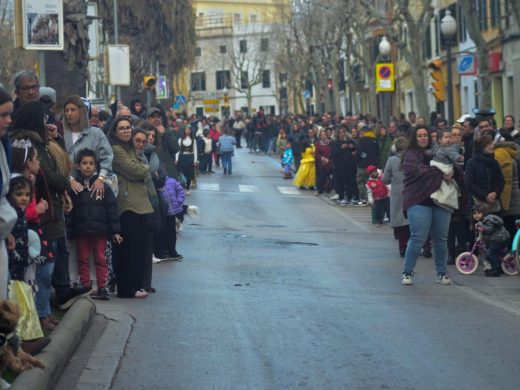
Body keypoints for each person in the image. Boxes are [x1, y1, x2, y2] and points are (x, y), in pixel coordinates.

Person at [10, 101, 91, 309]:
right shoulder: (28, 143)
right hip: (42, 210)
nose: (47, 122)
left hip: (52, 207)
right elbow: (49, 174)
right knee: (44, 267)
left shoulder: (43, 141)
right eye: (44, 118)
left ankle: (60, 293)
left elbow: (62, 163)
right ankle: (47, 306)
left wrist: (56, 139)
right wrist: (66, 183)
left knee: (58, 253)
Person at [400, 126, 462, 285]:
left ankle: (441, 274)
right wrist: (442, 173)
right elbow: (418, 171)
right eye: (419, 135)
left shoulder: (439, 150)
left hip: (441, 201)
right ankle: (407, 273)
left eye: (425, 135)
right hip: (418, 201)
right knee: (417, 238)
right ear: (414, 137)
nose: (423, 138)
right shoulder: (410, 155)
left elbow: (455, 167)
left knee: (441, 240)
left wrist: (452, 171)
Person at [67, 149, 122, 301]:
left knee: (100, 258)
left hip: (100, 231)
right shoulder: (74, 188)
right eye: (84, 163)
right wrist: (68, 233)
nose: (88, 166)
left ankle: (102, 287)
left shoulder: (103, 187)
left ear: (96, 166)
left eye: (91, 163)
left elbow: (112, 209)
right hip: (81, 230)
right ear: (78, 166)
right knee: (82, 258)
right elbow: (69, 212)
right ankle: (85, 286)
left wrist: (116, 231)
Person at [108, 116, 153, 299]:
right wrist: (142, 168)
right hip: (127, 206)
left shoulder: (129, 148)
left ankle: (133, 286)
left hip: (139, 204)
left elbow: (142, 167)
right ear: (115, 131)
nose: (126, 131)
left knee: (137, 248)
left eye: (128, 128)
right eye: (122, 128)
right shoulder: (116, 149)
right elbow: (138, 170)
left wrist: (142, 167)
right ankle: (126, 289)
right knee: (128, 250)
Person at [62, 95, 114, 200]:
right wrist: (70, 180)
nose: (69, 114)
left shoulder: (96, 133)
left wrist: (100, 179)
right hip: (67, 189)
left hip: (93, 187)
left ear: (82, 111)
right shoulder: (61, 134)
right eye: (66, 110)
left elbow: (107, 157)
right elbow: (58, 163)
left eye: (73, 110)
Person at [0, 87, 17, 299]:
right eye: (3, 115)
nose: (9, 120)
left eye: (10, 115)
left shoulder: (4, 143)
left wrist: (7, 229)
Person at [465, 135, 504, 216]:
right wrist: (485, 195)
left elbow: (501, 180)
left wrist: (495, 192)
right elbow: (469, 183)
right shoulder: (472, 163)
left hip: (494, 204)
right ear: (482, 147)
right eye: (489, 144)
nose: (493, 146)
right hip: (477, 204)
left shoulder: (494, 162)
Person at [383, 136, 409, 256]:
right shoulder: (412, 158)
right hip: (412, 190)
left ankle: (402, 248)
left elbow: (385, 179)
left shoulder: (391, 160)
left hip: (398, 193)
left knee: (401, 221)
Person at [429, 128, 463, 211]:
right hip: (436, 165)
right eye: (446, 137)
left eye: (449, 137)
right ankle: (436, 196)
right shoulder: (436, 146)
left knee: (446, 187)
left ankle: (446, 201)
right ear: (439, 140)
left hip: (445, 167)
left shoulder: (450, 148)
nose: (448, 139)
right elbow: (430, 152)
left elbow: (454, 155)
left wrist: (459, 158)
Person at [156, 175, 184, 262]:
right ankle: (163, 252)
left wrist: (178, 201)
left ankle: (172, 252)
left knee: (172, 233)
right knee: (162, 233)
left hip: (172, 213)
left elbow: (180, 191)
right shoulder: (155, 183)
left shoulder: (172, 181)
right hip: (161, 213)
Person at [476, 212, 510, 277]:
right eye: (474, 213)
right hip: (498, 239)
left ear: (483, 213)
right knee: (495, 253)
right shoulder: (483, 222)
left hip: (502, 239)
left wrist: (480, 225)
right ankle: (501, 266)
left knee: (490, 252)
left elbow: (489, 230)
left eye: (479, 213)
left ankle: (496, 270)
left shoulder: (488, 220)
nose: (476, 215)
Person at [355, 126, 379, 205]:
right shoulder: (375, 141)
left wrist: (358, 161)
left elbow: (358, 153)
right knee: (372, 182)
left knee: (360, 182)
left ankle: (364, 198)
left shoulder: (362, 141)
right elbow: (377, 153)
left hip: (362, 166)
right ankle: (372, 198)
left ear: (363, 132)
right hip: (372, 167)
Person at [176, 126, 198, 193]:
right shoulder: (180, 140)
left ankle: (188, 188)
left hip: (190, 157)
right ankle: (182, 187)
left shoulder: (193, 140)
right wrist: (176, 159)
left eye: (189, 130)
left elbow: (195, 150)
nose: (188, 131)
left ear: (191, 131)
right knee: (182, 173)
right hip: (182, 157)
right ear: (184, 131)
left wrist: (195, 160)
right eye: (186, 129)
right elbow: (178, 150)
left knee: (189, 174)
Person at [314, 129, 332, 195]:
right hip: (321, 163)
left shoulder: (330, 142)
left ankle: (328, 189)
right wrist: (322, 158)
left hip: (329, 162)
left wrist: (329, 159)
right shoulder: (318, 144)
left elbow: (332, 151)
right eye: (322, 135)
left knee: (329, 177)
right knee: (321, 176)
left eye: (324, 134)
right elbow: (316, 154)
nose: (323, 136)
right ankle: (319, 189)